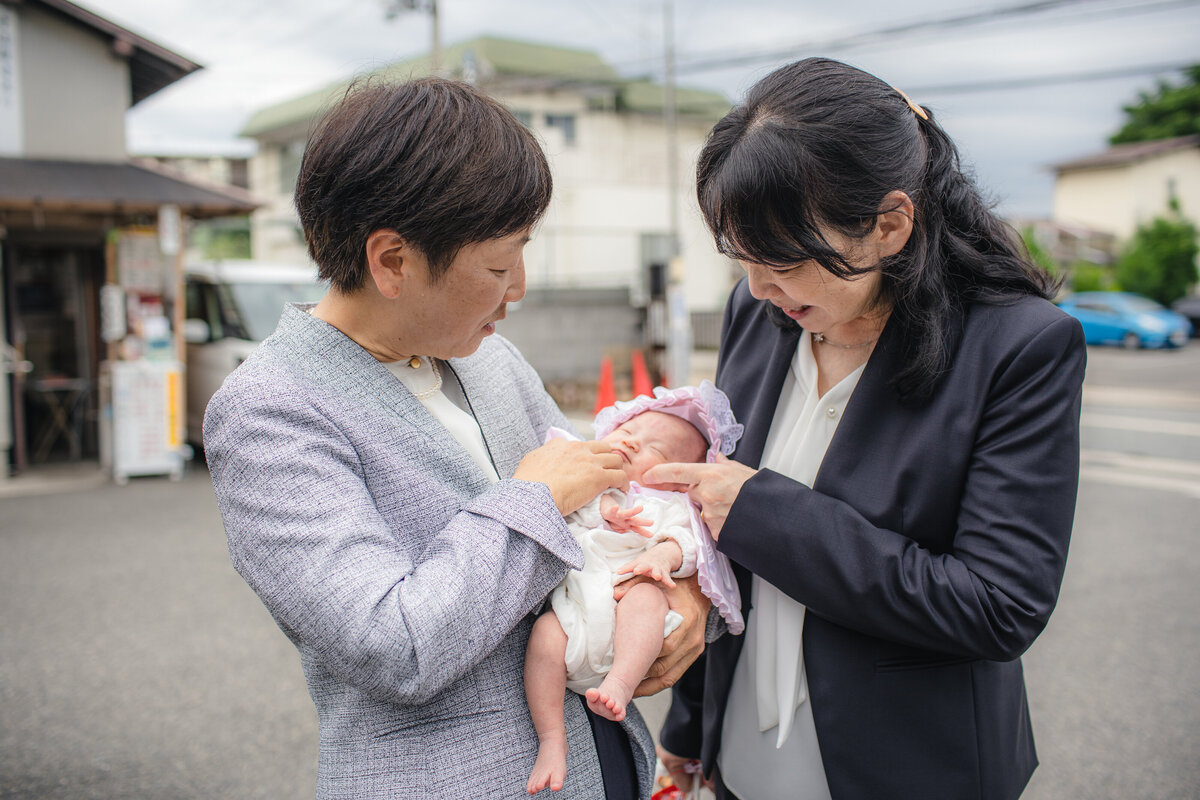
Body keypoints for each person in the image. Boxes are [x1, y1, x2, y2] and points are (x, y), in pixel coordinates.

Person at [203, 77, 708, 800]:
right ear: (392, 261)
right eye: (499, 265)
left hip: (603, 762)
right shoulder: (269, 412)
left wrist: (681, 589)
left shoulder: (486, 355)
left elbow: (599, 513)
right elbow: (394, 644)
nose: (520, 286)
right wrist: (534, 498)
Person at [646, 58, 1087, 800]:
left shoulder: (1017, 346)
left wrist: (763, 512)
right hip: (744, 759)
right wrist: (691, 728)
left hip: (907, 769)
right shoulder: (760, 315)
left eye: (782, 257)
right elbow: (726, 556)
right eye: (741, 257)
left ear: (889, 224)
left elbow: (997, 605)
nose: (758, 286)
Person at [526, 384, 745, 795]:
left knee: (647, 597)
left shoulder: (672, 507)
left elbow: (691, 545)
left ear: (680, 480)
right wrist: (607, 510)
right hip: (577, 615)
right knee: (543, 636)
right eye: (630, 430)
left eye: (655, 451)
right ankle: (552, 739)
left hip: (628, 620)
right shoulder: (591, 485)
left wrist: (663, 557)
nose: (631, 442)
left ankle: (620, 686)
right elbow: (571, 509)